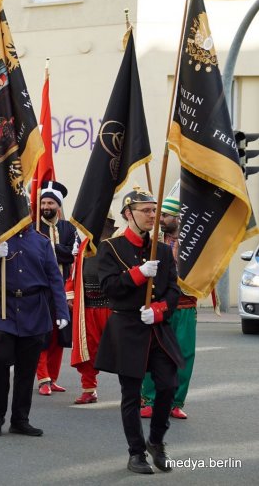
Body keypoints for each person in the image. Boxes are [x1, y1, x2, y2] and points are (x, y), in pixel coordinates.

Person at [96, 188, 184, 474]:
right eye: (145, 210)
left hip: (155, 327)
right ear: (128, 213)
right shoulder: (111, 247)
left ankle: (156, 440)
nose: (152, 215)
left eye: (153, 210)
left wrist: (158, 309)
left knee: (169, 384)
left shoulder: (160, 249)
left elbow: (173, 288)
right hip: (128, 328)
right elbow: (108, 288)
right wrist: (138, 273)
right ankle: (136, 453)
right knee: (131, 394)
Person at [0, 224, 70, 438]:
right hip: (2, 310)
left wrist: (62, 311)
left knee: (26, 370)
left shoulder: (42, 242)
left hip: (33, 311)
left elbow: (54, 278)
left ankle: (20, 419)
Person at [141, 197, 195, 420]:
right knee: (153, 352)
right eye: (159, 215)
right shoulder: (153, 241)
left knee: (184, 354)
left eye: (165, 215)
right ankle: (150, 400)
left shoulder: (194, 241)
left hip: (185, 305)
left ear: (178, 217)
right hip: (159, 305)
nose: (160, 219)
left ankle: (175, 402)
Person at [68, 214, 116, 404]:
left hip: (111, 306)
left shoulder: (116, 245)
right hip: (87, 306)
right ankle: (89, 389)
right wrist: (70, 294)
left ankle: (134, 393)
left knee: (122, 350)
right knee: (87, 350)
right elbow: (74, 272)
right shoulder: (83, 245)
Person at [35, 180, 77, 396]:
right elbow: (36, 254)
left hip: (61, 289)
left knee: (59, 335)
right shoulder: (34, 227)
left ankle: (53, 377)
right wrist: (58, 250)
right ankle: (43, 378)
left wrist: (51, 248)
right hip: (40, 289)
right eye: (43, 203)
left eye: (50, 203)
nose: (46, 207)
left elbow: (71, 254)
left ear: (58, 206)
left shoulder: (68, 228)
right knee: (42, 333)